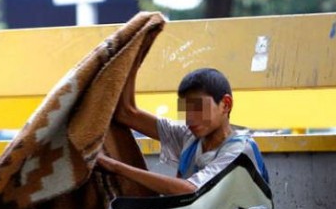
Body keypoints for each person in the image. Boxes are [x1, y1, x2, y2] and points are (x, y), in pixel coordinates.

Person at [97, 67, 269, 195]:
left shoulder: (240, 149)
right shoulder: (190, 136)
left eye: (198, 108)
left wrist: (115, 167)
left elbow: (190, 190)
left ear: (226, 104)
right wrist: (134, 53)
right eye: (186, 110)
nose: (190, 119)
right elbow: (126, 113)